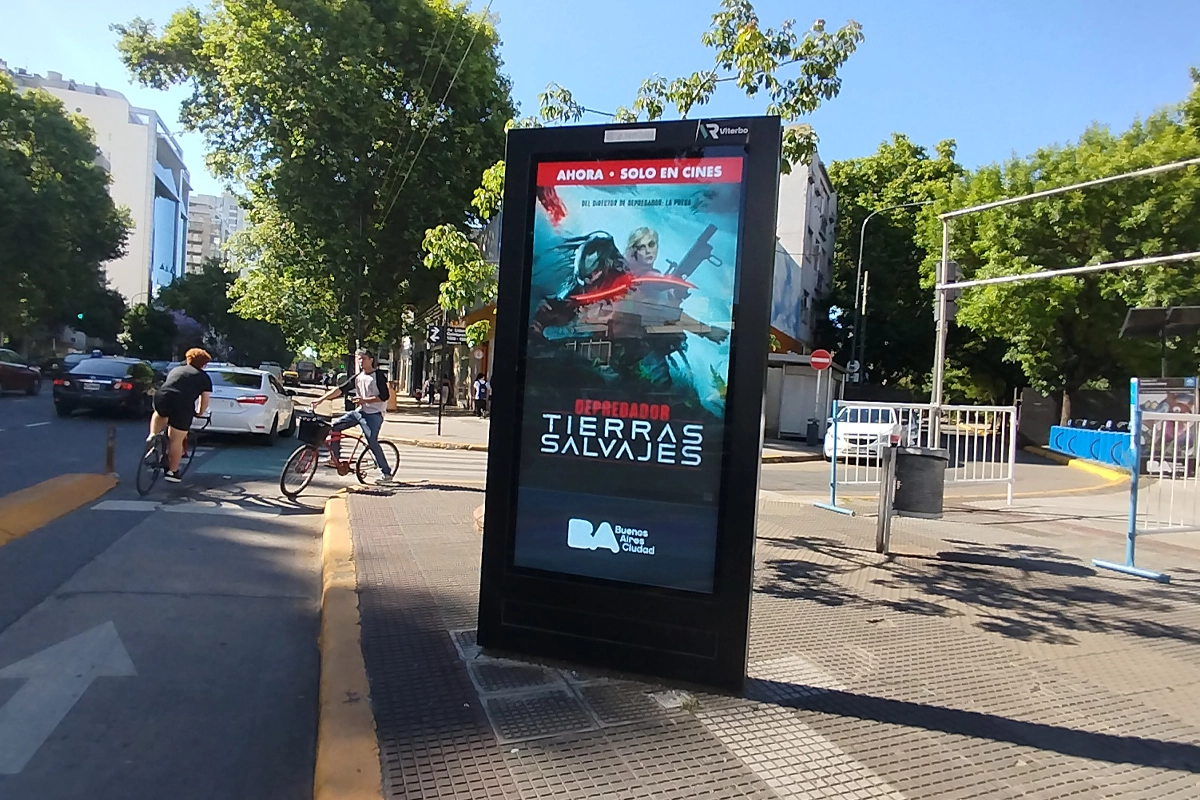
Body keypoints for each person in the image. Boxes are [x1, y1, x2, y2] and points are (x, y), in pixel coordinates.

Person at [312, 349, 395, 485]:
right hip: (360, 412)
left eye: (363, 358)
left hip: (374, 414)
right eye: (359, 359)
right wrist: (321, 399)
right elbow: (340, 389)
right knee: (334, 427)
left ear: (371, 360)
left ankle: (386, 473)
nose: (361, 361)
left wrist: (365, 400)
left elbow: (385, 396)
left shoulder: (378, 376)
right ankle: (335, 458)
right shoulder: (358, 377)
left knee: (372, 441)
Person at [149, 347, 213, 483]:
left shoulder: (176, 370)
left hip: (162, 397)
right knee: (176, 440)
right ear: (204, 364)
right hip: (182, 405)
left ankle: (153, 435)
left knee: (159, 412)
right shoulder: (204, 377)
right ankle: (172, 472)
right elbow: (204, 400)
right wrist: (199, 413)